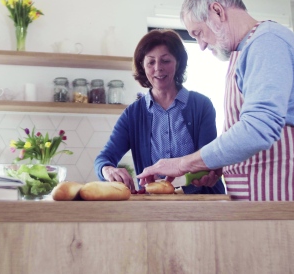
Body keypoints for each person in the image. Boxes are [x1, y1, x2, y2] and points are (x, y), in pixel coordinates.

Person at [137, 0, 294, 202]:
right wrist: (219, 165)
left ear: (217, 11)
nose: (202, 45)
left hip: (283, 196)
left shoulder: (267, 42)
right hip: (259, 197)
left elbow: (258, 129)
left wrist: (182, 162)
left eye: (198, 33)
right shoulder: (244, 51)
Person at [94, 29, 225, 195]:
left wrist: (210, 173)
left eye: (166, 60)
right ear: (142, 66)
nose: (158, 68)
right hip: (153, 206)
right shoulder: (132, 115)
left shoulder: (201, 106)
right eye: (151, 62)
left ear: (178, 63)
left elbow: (208, 159)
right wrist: (108, 170)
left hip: (201, 202)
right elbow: (103, 158)